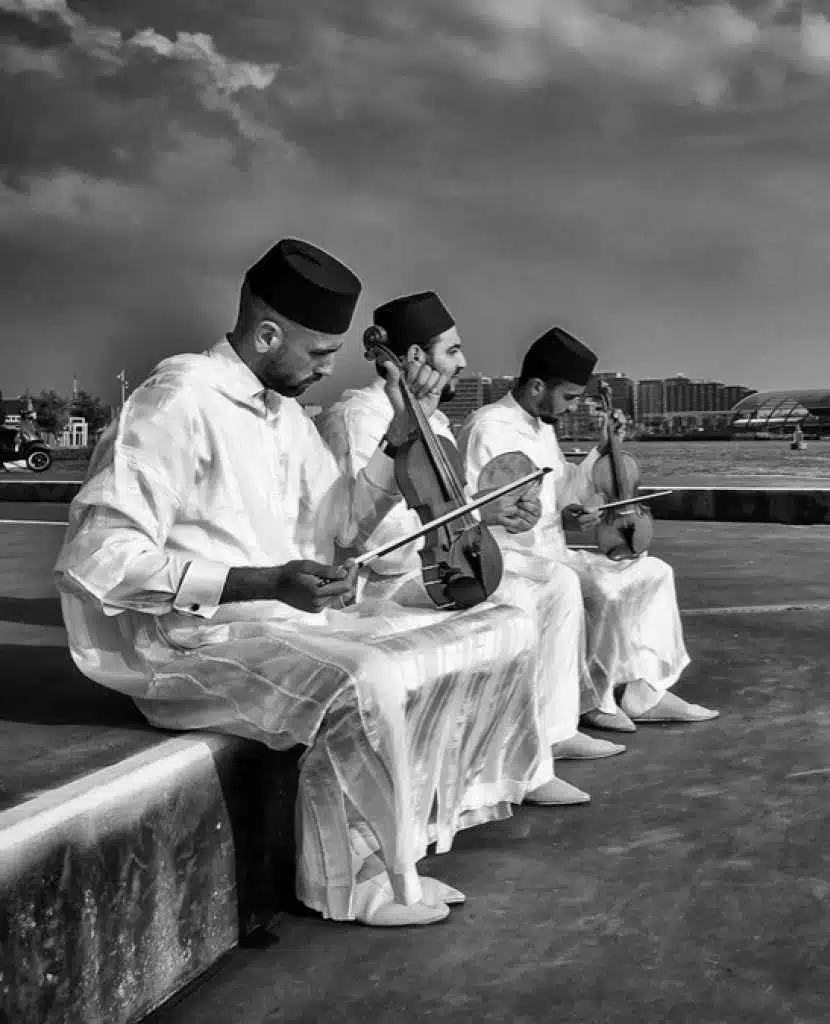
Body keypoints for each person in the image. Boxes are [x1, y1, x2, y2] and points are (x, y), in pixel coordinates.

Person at [53, 239, 548, 929]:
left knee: (486, 628)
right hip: (191, 645)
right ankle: (352, 885)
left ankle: (405, 850)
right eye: (318, 354)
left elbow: (341, 525)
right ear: (266, 334)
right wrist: (262, 582)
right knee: (367, 676)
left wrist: (397, 444)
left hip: (284, 629)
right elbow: (99, 557)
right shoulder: (176, 400)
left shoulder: (288, 417)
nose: (326, 369)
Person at [316, 292, 625, 809]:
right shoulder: (359, 418)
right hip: (385, 582)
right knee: (518, 599)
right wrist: (481, 513)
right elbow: (371, 538)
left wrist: (485, 509)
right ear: (414, 358)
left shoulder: (434, 421)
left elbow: (451, 506)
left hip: (429, 563)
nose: (463, 362)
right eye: (452, 350)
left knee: (553, 584)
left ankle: (548, 734)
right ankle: (513, 764)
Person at [458, 326, 720, 732]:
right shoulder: (488, 427)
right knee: (600, 587)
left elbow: (564, 489)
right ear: (536, 386)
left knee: (653, 571)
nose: (569, 408)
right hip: (514, 558)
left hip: (554, 549)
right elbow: (476, 510)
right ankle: (587, 701)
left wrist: (599, 455)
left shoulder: (542, 426)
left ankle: (644, 693)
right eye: (567, 398)